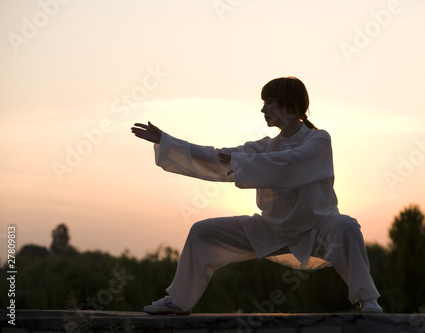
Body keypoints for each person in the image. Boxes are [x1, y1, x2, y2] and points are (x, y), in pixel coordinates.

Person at [131, 76, 383, 314]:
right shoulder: (266, 146)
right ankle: (179, 301)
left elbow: (290, 164)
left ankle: (367, 299)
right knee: (202, 231)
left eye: (269, 102)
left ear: (288, 103)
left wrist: (244, 162)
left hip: (317, 228)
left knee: (347, 226)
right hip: (271, 229)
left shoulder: (318, 140)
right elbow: (217, 156)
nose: (263, 110)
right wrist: (167, 141)